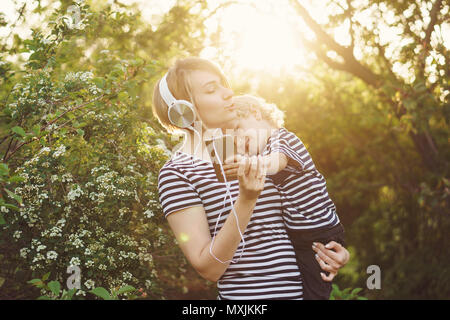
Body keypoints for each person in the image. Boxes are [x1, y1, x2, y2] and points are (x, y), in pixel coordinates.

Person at [153, 57, 349, 300]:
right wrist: (246, 200)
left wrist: (330, 252)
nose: (228, 93)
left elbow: (297, 217)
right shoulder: (177, 173)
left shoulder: (255, 148)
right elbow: (208, 268)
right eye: (212, 90)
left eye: (224, 85)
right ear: (184, 110)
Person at [223, 94, 347, 299]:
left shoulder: (283, 138)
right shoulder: (262, 152)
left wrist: (251, 165)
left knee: (314, 294)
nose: (237, 139)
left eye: (237, 128)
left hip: (319, 234)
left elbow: (277, 162)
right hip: (300, 236)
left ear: (255, 112)